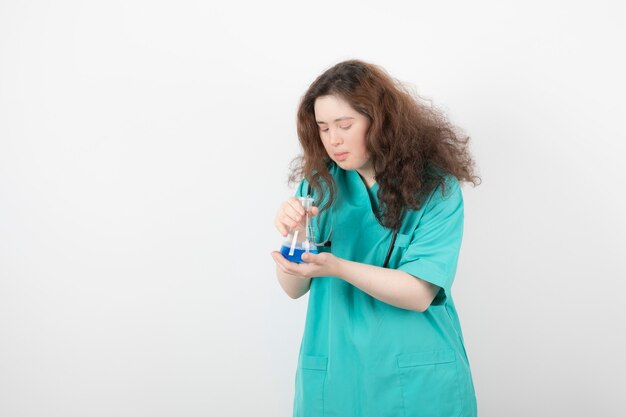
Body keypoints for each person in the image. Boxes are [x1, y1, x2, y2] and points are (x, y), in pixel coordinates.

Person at [270, 59, 480, 417]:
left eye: (345, 124)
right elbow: (293, 288)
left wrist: (336, 267)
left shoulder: (436, 189)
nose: (333, 139)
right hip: (336, 375)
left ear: (380, 121)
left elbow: (418, 293)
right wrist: (297, 236)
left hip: (416, 377)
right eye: (322, 128)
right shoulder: (320, 185)